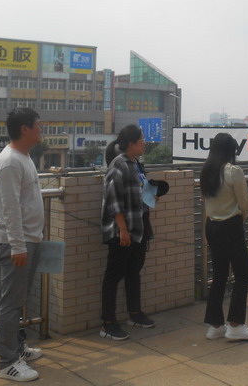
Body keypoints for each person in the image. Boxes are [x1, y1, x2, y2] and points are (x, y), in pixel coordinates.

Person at [0, 108, 45, 382]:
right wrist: (18, 246)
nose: (41, 128)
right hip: (17, 243)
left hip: (28, 240)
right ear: (25, 129)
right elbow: (10, 209)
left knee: (18, 300)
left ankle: (17, 349)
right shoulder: (10, 162)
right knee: (11, 304)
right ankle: (7, 362)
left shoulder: (24, 157)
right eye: (38, 125)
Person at [99, 125, 166, 340]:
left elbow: (143, 194)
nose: (144, 143)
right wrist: (122, 229)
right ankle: (108, 323)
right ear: (131, 143)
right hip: (123, 230)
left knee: (133, 271)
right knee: (113, 275)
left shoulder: (137, 164)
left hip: (139, 227)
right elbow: (113, 200)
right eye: (141, 140)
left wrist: (153, 196)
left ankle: (135, 314)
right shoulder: (118, 165)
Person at [200, 133, 248, 341]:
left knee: (219, 274)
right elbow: (245, 203)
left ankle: (215, 325)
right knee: (242, 272)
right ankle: (236, 325)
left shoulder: (206, 171)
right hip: (231, 225)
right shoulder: (234, 171)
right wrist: (241, 217)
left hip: (211, 226)